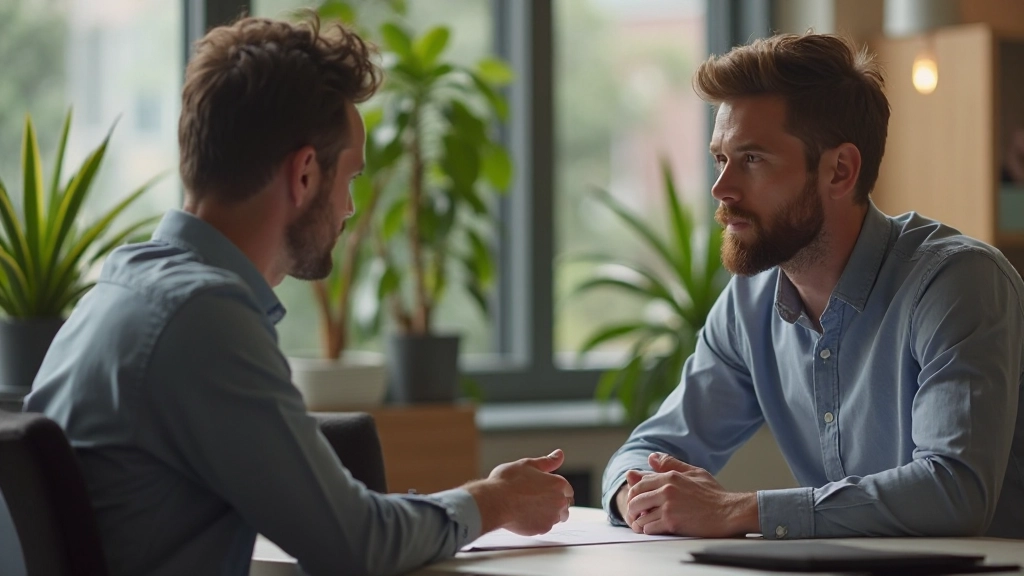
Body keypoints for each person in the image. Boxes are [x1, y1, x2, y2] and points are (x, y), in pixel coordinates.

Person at [24, 16, 573, 576]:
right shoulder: (201, 318)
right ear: (305, 174)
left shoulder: (122, 286)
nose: (351, 208)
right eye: (351, 178)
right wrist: (495, 500)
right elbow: (355, 543)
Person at [602, 32, 1024, 540]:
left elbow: (953, 492)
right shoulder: (748, 303)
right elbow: (647, 451)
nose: (722, 188)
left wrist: (739, 510)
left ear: (840, 170)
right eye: (721, 158)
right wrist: (639, 493)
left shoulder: (957, 283)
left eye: (753, 159)